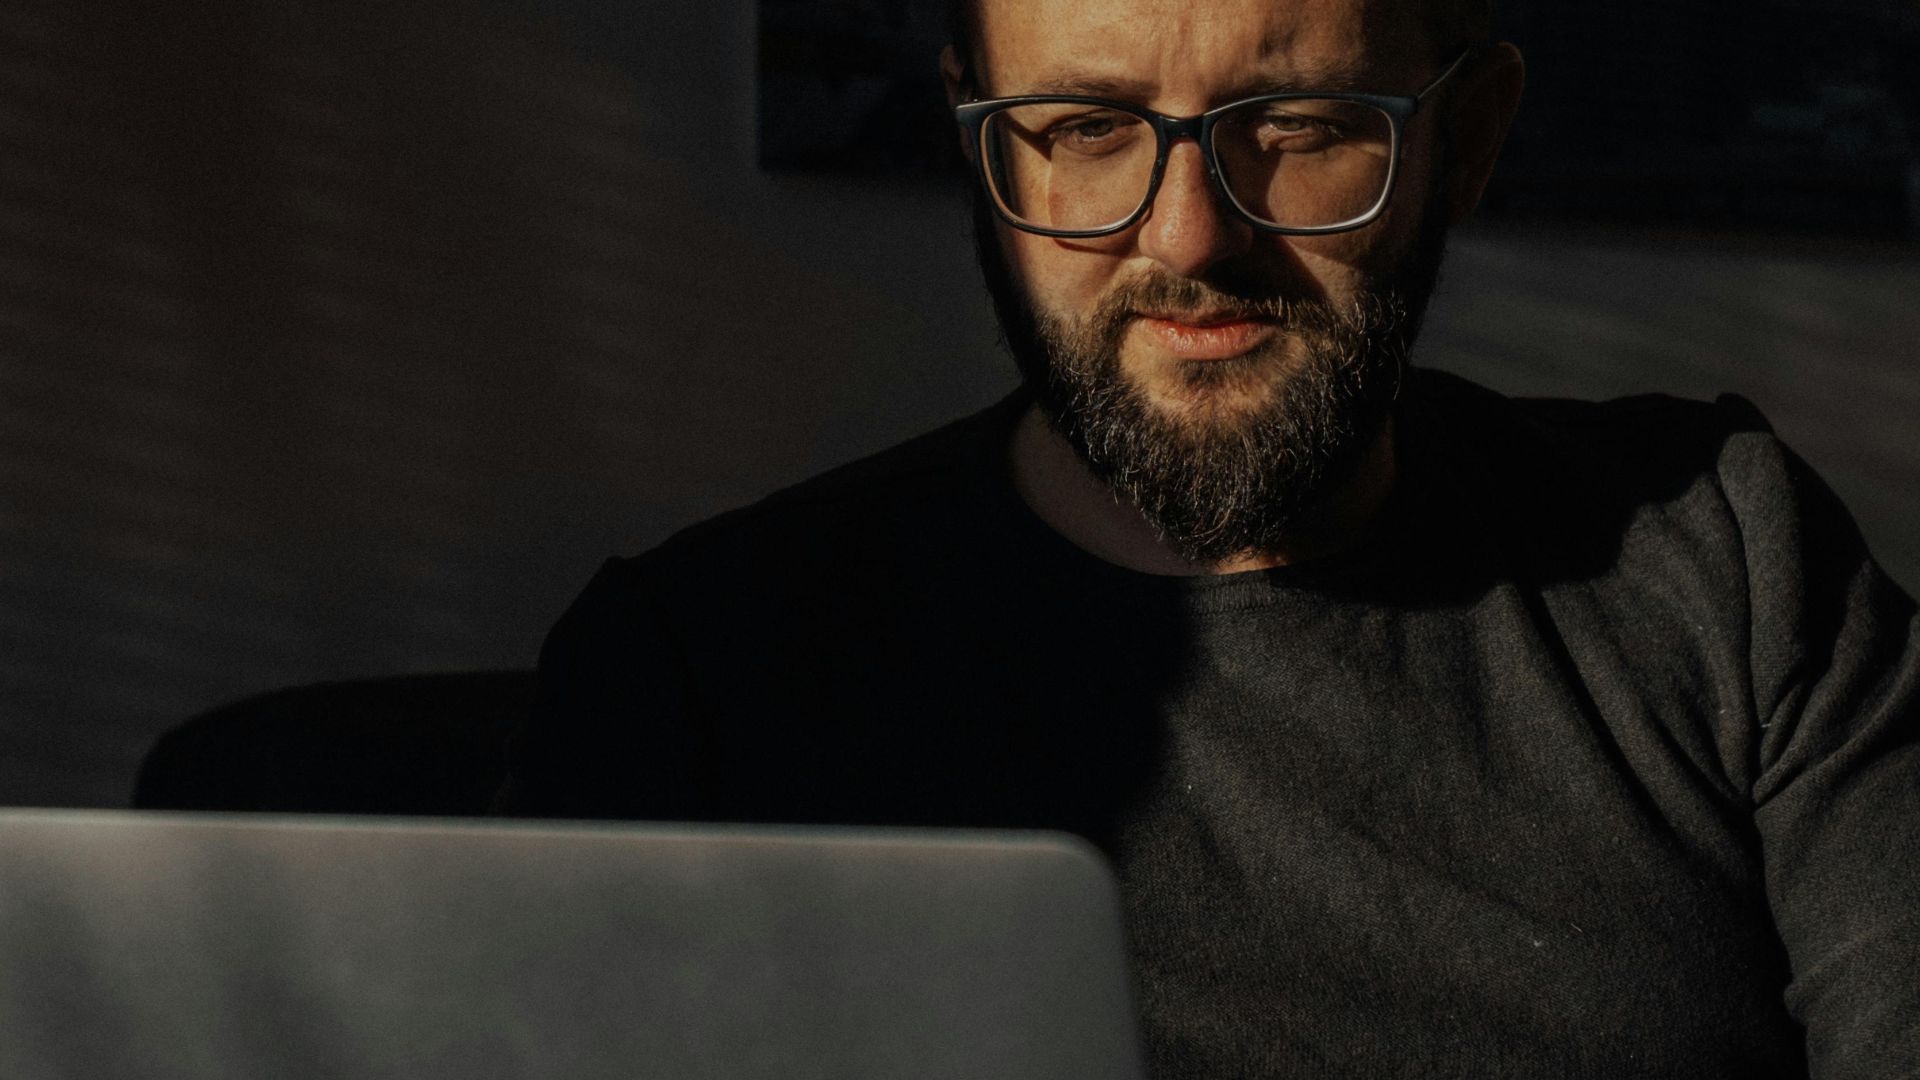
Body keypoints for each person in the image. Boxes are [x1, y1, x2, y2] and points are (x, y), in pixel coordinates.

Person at [496, 1, 1920, 1076]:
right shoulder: (698, 674)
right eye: (1085, 129)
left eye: (1295, 129)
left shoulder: (1725, 556)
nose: (1186, 237)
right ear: (984, 137)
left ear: (1465, 139)